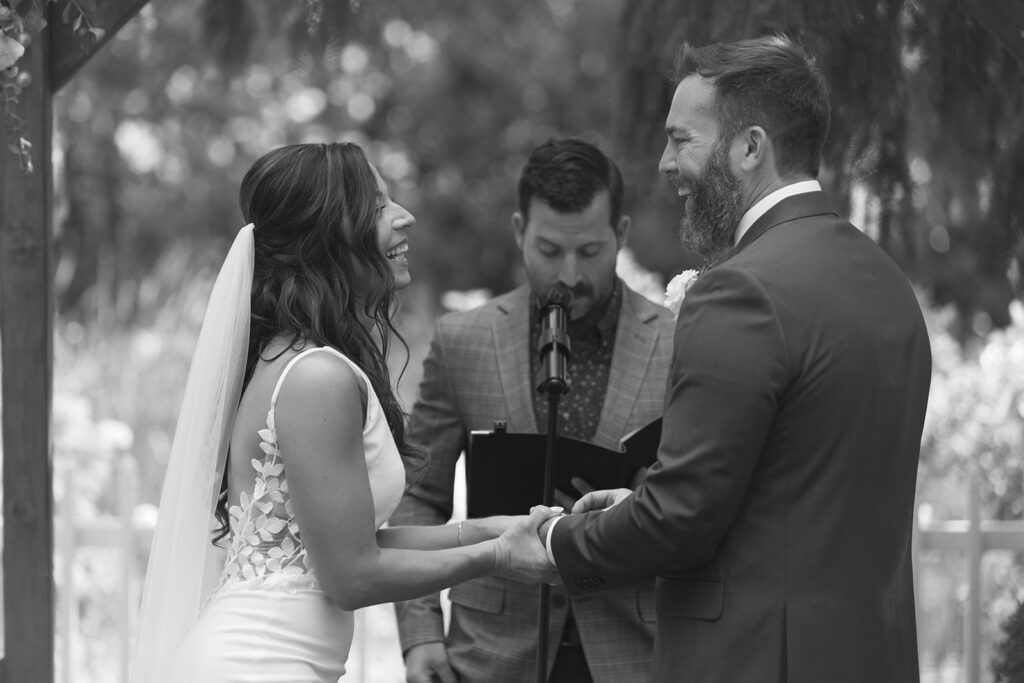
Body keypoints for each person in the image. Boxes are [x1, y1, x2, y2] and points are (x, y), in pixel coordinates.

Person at [540, 36, 932, 682]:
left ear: (750, 147)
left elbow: (679, 522)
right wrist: (633, 503)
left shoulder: (741, 290)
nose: (665, 163)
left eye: (682, 139)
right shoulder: (889, 285)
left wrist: (558, 541)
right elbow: (799, 489)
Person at [129, 142, 559, 683]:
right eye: (379, 206)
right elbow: (353, 577)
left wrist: (494, 530)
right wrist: (496, 557)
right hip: (257, 665)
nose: (406, 217)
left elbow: (351, 544)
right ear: (329, 235)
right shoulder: (316, 378)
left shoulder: (296, 360)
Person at [392, 138, 676, 683]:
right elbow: (416, 495)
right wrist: (420, 634)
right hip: (491, 656)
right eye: (549, 250)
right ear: (520, 231)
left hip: (635, 655)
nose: (569, 274)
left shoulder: (679, 342)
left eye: (589, 251)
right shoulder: (463, 341)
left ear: (620, 234)